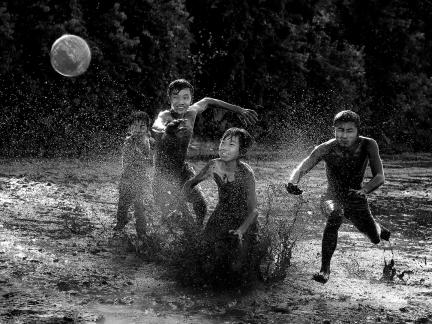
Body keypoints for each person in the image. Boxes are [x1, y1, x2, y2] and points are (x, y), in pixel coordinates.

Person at [285, 110, 390, 284]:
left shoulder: (368, 145)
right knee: (335, 215)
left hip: (357, 197)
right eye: (340, 130)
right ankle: (324, 270)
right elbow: (303, 166)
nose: (344, 135)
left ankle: (378, 227)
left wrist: (364, 190)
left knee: (375, 239)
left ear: (357, 131)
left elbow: (380, 176)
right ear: (334, 130)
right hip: (331, 197)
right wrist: (291, 182)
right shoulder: (326, 148)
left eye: (349, 131)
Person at [151, 79, 258, 226]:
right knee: (174, 215)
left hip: (182, 170)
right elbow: (157, 125)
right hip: (162, 174)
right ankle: (170, 234)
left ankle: (198, 234)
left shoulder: (192, 112)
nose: (180, 102)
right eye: (175, 97)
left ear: (191, 99)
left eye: (185, 97)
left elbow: (208, 101)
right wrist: (167, 129)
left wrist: (240, 110)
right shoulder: (165, 116)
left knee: (201, 207)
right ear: (169, 98)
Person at [182, 128, 259, 283]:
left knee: (241, 267)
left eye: (231, 144)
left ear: (241, 150)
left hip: (244, 219)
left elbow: (254, 211)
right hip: (221, 214)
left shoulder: (246, 173)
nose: (223, 147)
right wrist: (182, 201)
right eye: (222, 142)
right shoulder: (213, 165)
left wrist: (241, 231)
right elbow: (191, 183)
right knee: (203, 252)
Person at [114, 111, 153, 240]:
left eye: (142, 127)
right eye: (135, 126)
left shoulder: (148, 142)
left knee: (139, 207)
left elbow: (150, 161)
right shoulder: (128, 141)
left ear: (147, 129)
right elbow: (128, 160)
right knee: (122, 205)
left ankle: (141, 232)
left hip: (141, 180)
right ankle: (121, 222)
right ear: (129, 128)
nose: (138, 130)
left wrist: (143, 158)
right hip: (127, 178)